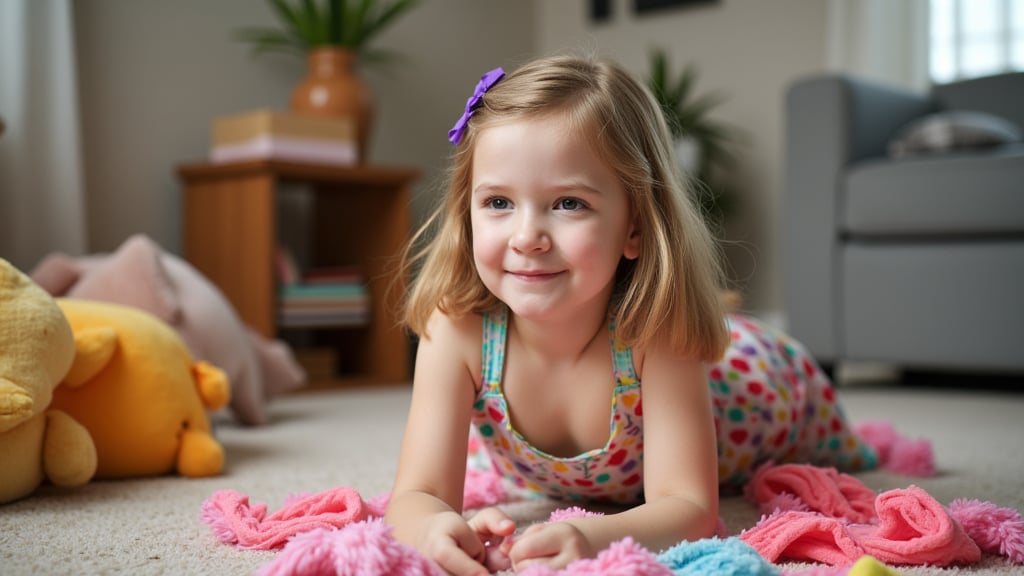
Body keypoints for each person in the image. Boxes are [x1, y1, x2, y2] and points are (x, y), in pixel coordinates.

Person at [384, 54, 876, 575]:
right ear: (468, 212)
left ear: (635, 227)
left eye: (569, 203)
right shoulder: (457, 331)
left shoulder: (658, 334)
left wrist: (592, 535)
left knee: (836, 449)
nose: (527, 237)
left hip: (757, 382)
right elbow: (417, 493)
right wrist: (430, 528)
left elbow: (689, 507)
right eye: (499, 203)